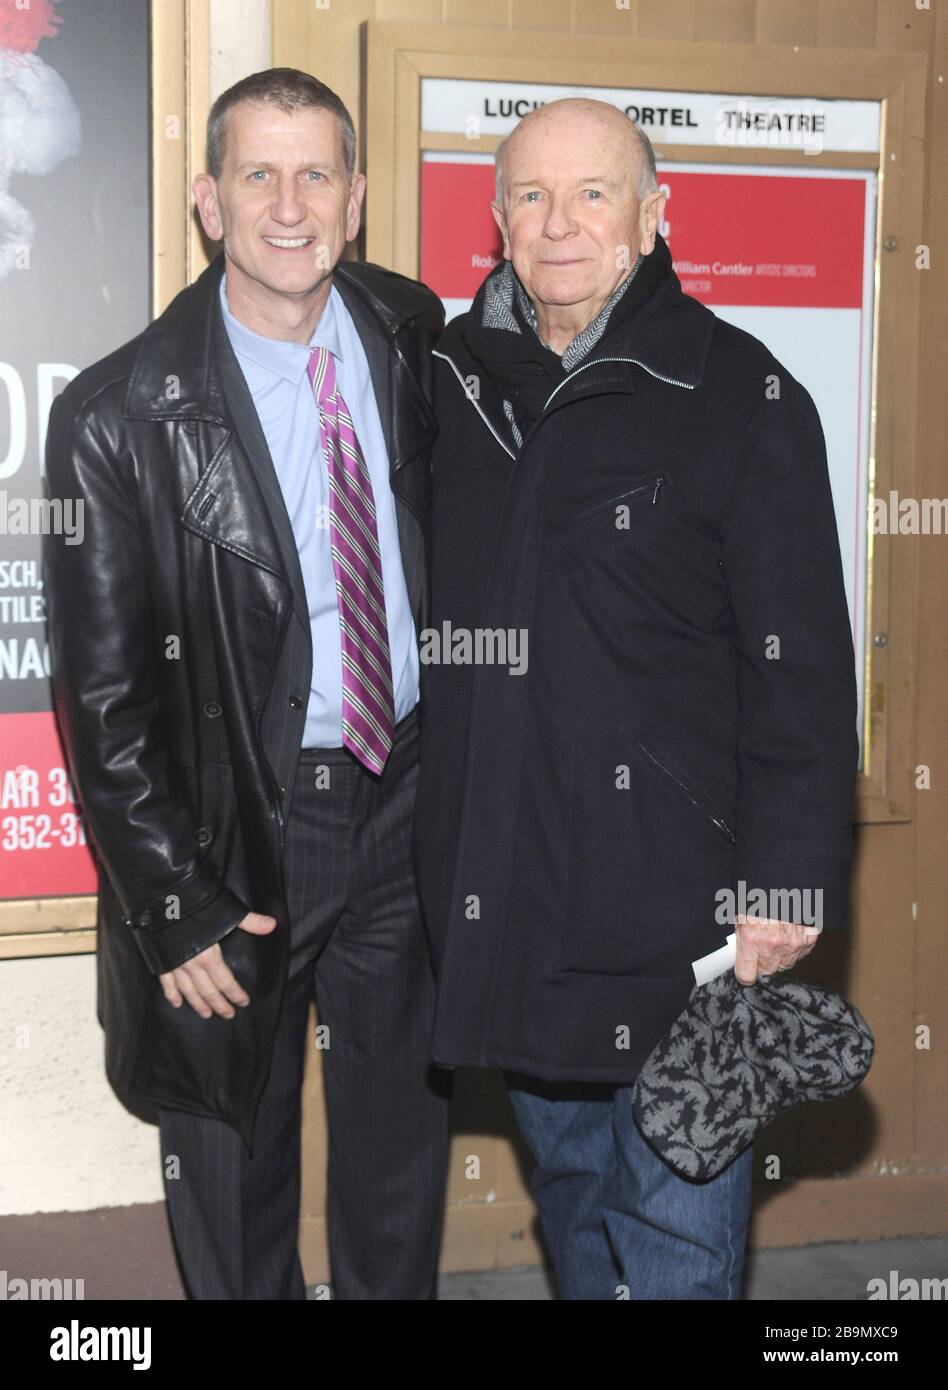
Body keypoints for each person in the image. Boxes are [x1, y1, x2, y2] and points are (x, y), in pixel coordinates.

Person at [413, 98, 859, 1300]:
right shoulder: (447, 386)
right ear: (496, 217)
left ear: (656, 216)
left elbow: (802, 668)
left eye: (594, 194)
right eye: (531, 196)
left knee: (675, 1242)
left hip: (682, 924)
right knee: (576, 1211)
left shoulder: (739, 395)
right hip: (514, 903)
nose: (559, 224)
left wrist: (789, 878)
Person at [42, 68, 450, 1300]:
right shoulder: (117, 414)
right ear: (210, 202)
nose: (290, 205)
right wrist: (172, 903)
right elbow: (103, 698)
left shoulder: (413, 333)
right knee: (232, 1164)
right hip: (235, 834)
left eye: (316, 173)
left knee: (400, 1164)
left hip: (408, 800)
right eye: (258, 176)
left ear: (358, 197)